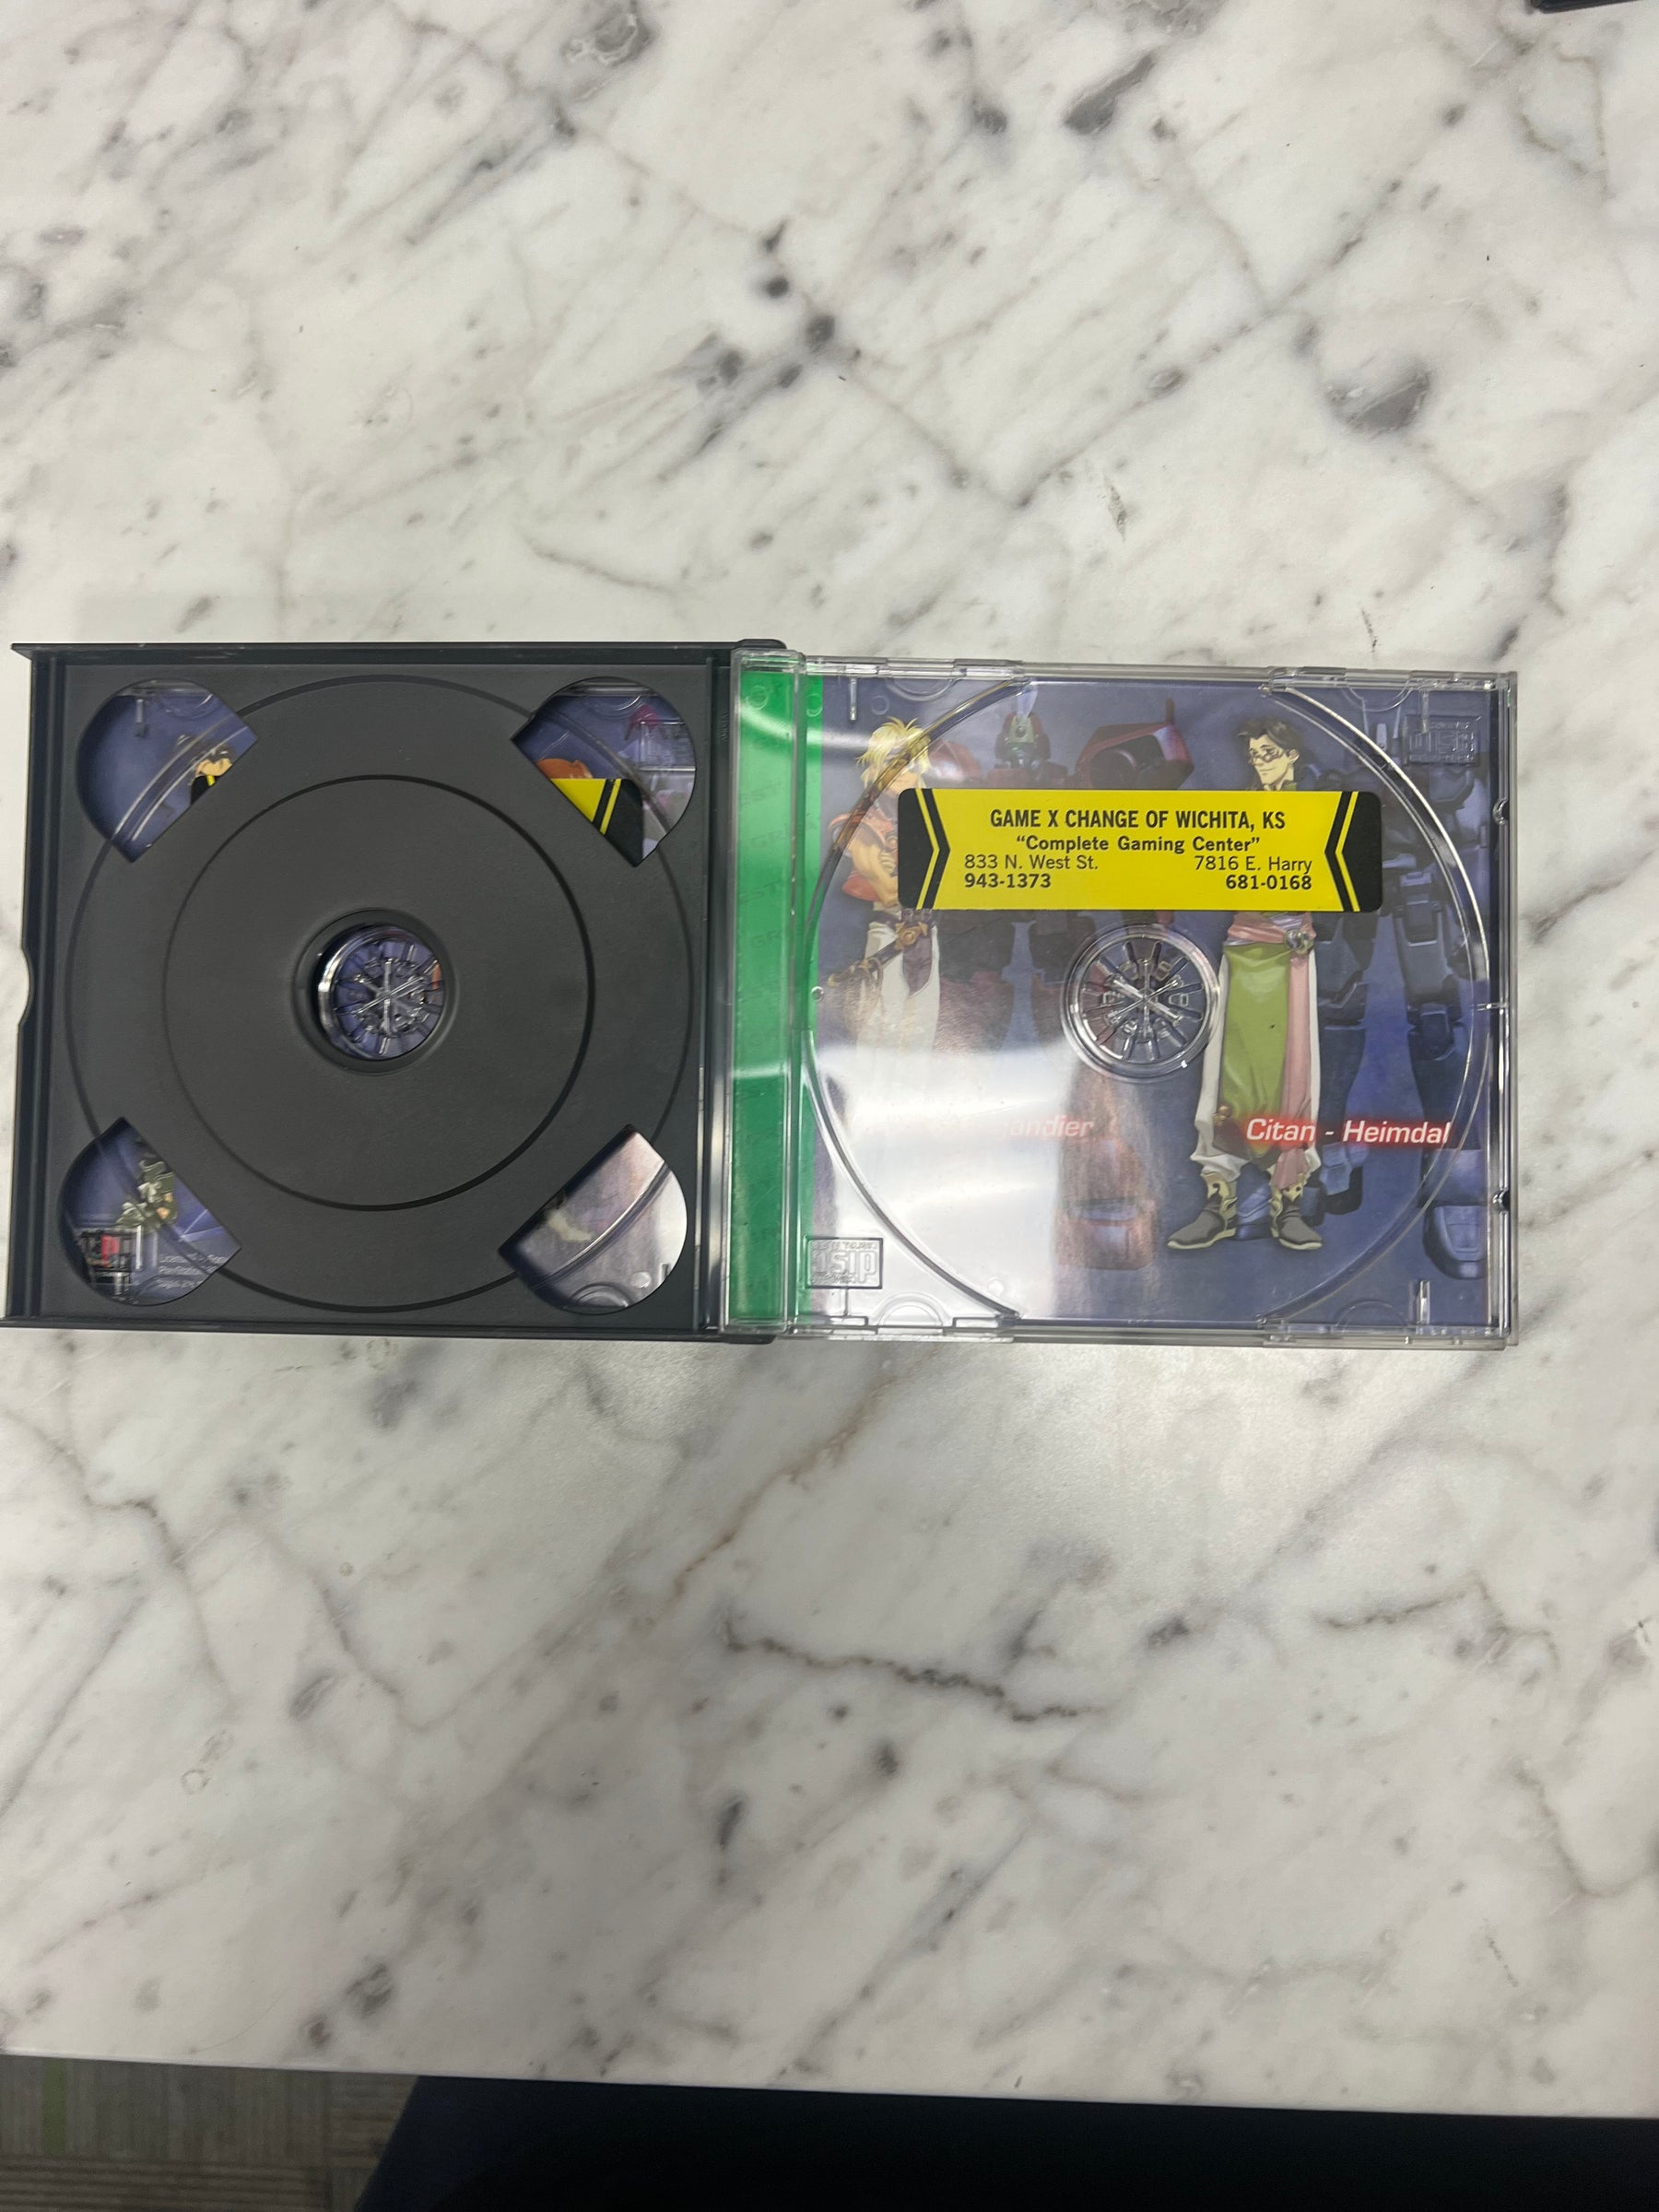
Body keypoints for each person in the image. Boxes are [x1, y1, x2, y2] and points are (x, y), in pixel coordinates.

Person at [1167, 718, 1323, 1255]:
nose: (1261, 760)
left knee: (1294, 1076)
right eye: (1256, 753)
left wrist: (1298, 925)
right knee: (1224, 1077)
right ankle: (1220, 1202)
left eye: (1270, 752)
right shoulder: (1240, 811)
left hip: (1291, 956)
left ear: (1292, 755)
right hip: (1242, 948)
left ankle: (1288, 1202)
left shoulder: (1314, 811)